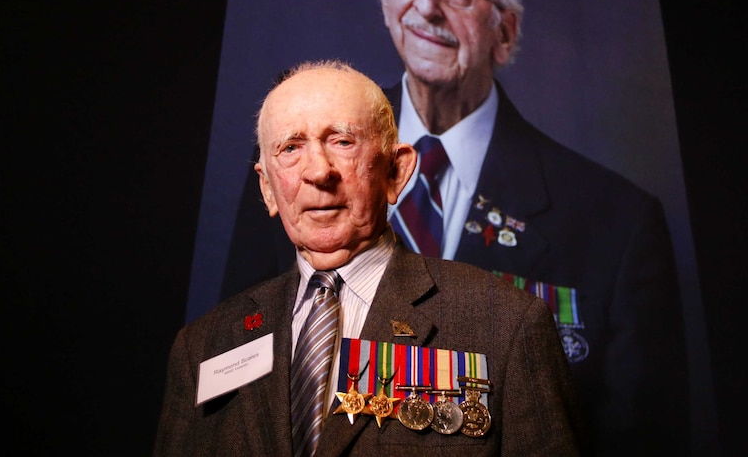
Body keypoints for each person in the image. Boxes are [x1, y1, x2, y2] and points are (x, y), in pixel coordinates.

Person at [220, 0, 689, 455]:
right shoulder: (290, 165)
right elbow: (238, 362)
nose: (425, 6)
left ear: (505, 30)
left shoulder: (617, 221)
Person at [155, 60, 581, 456]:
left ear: (396, 171)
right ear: (268, 188)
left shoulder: (505, 324)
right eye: (290, 148)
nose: (318, 172)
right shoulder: (203, 347)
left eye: (342, 141)